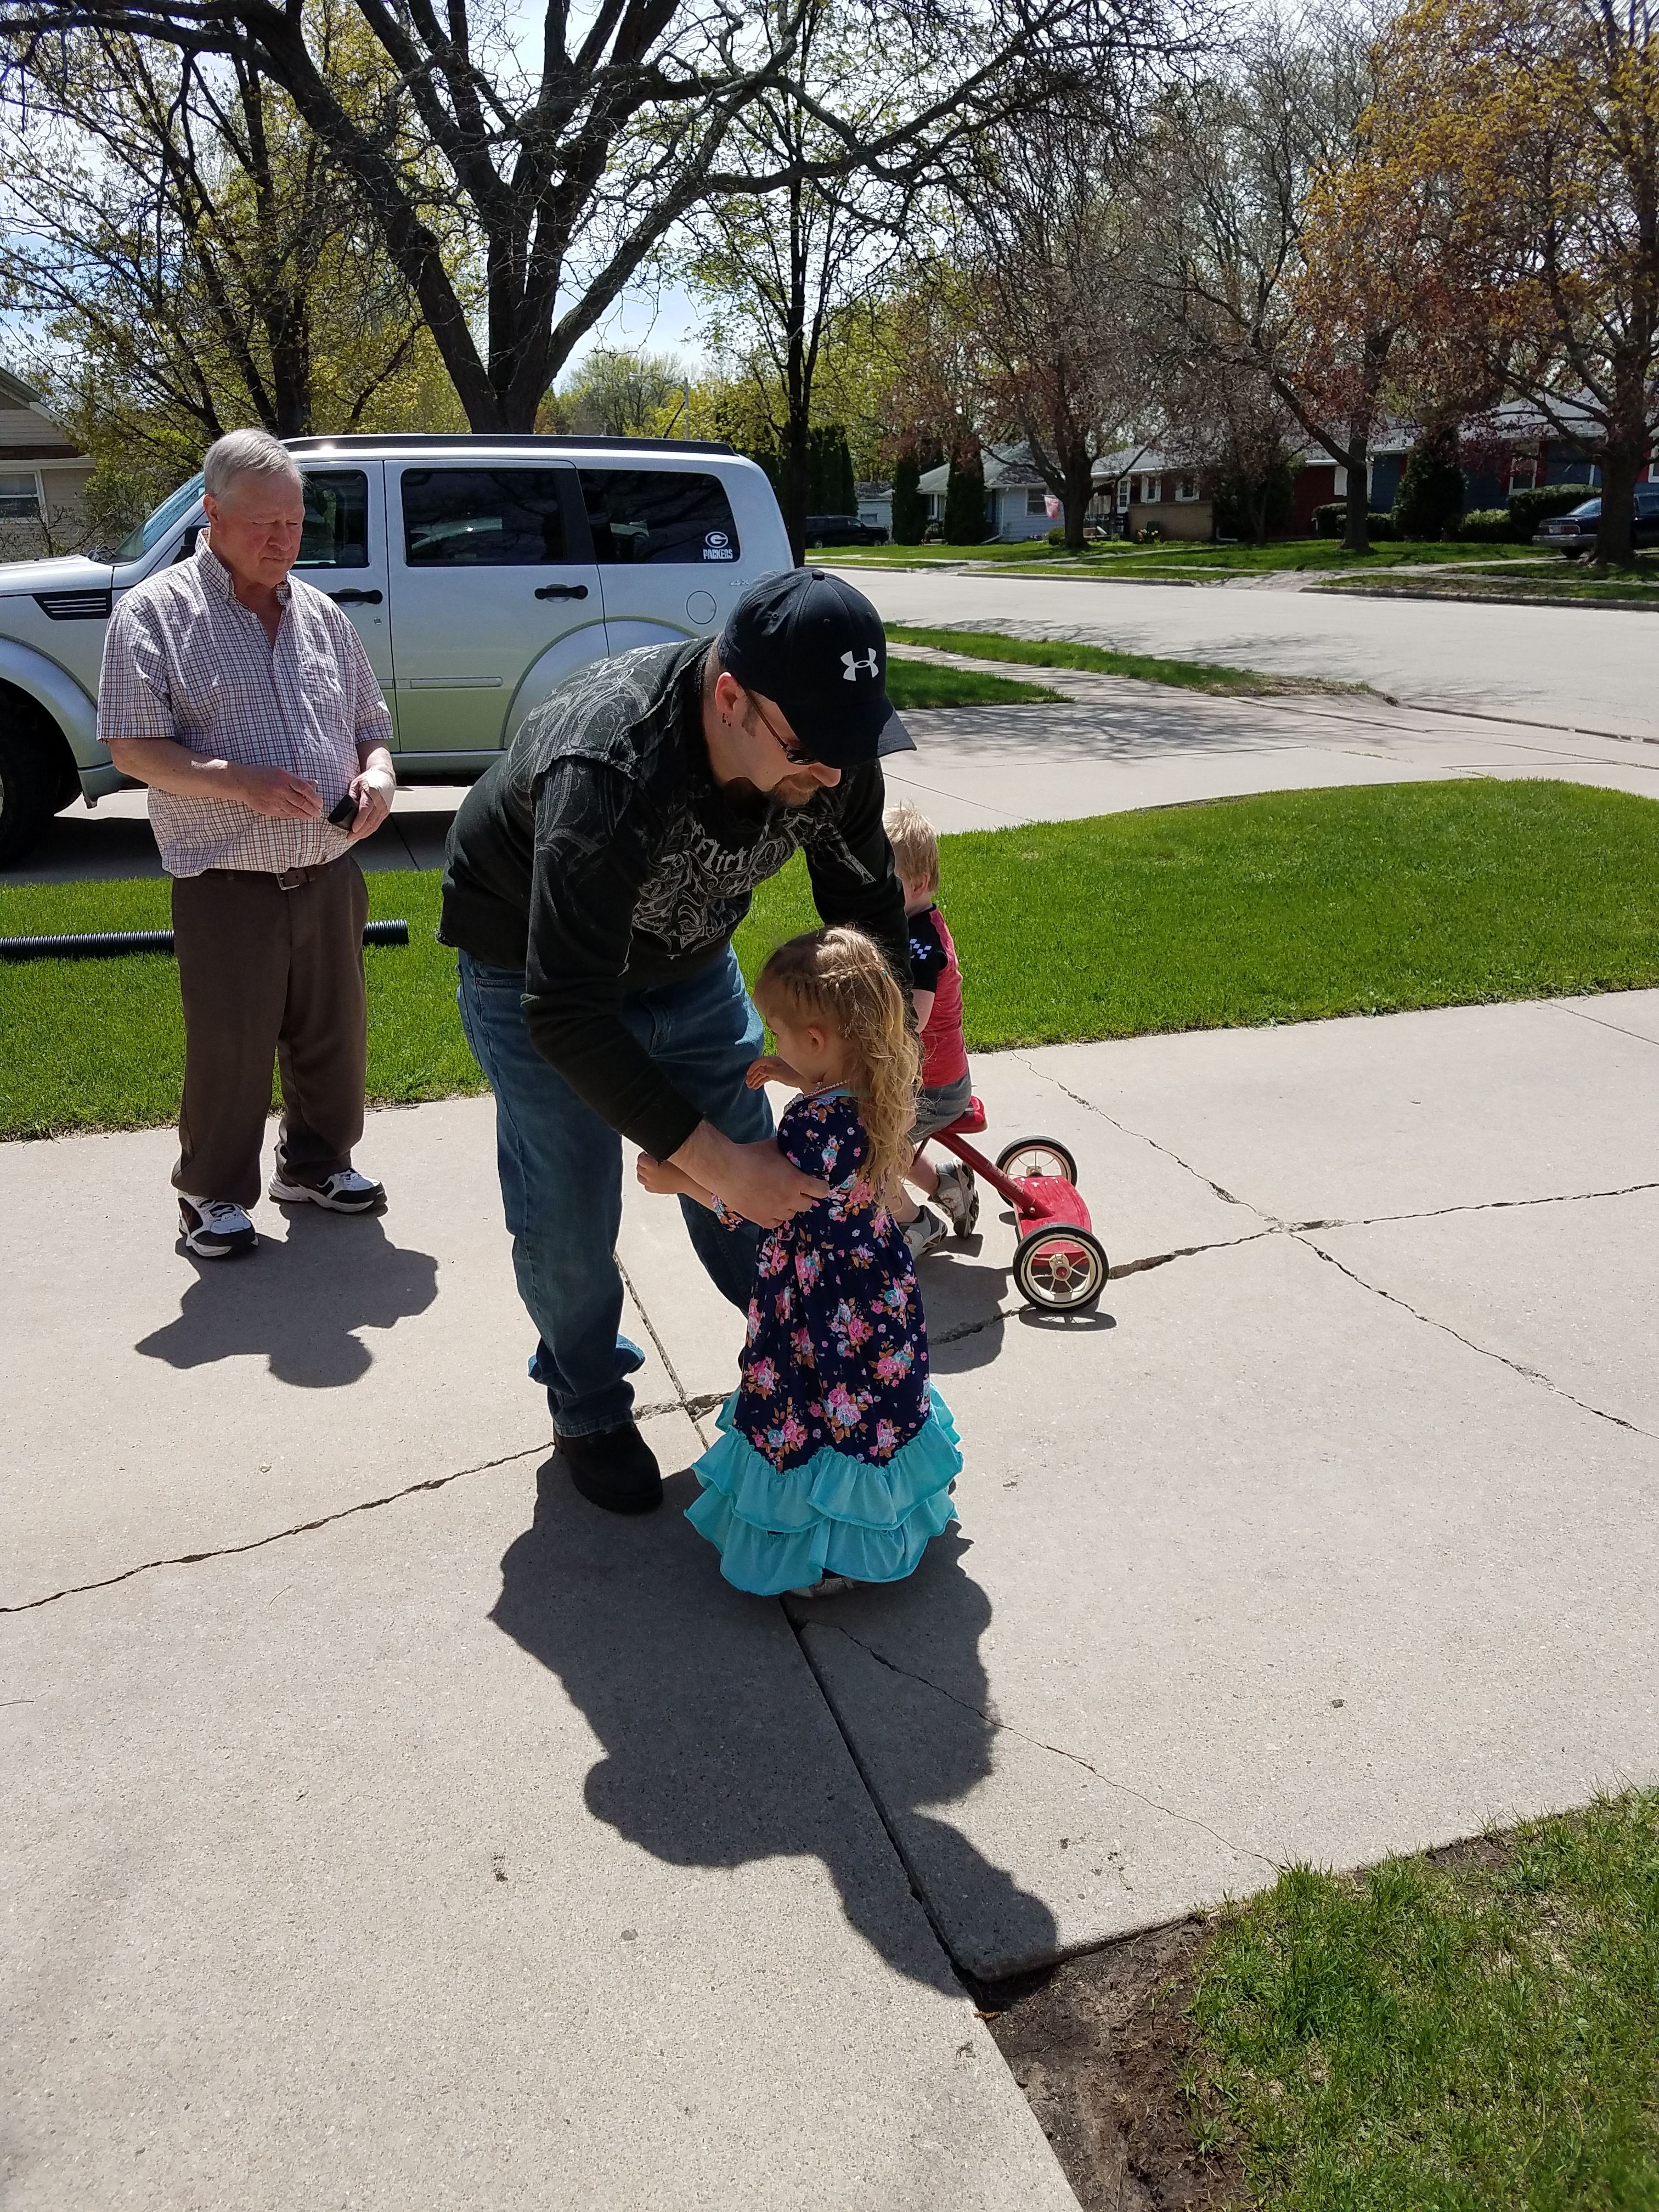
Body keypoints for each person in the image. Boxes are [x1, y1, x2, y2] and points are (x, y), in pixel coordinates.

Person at [439, 568, 915, 1517]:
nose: (830, 772)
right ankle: (586, 1408)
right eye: (808, 749)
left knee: (773, 1174)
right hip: (532, 970)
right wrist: (713, 1166)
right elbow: (565, 1007)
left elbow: (867, 917)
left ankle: (807, 1363)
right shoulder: (609, 761)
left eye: (848, 744)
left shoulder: (826, 742)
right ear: (729, 696)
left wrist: (877, 1109)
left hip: (690, 963)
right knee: (569, 1215)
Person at [98, 428, 395, 1260]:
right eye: (263, 524)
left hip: (329, 868)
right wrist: (240, 781)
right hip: (226, 877)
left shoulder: (321, 614)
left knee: (335, 1034)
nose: (282, 541)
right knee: (230, 1045)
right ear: (212, 513)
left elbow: (373, 727)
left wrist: (378, 778)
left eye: (295, 524)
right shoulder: (154, 615)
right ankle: (210, 1197)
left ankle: (317, 1164)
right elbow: (132, 747)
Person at [637, 927, 960, 1596]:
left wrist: (683, 1181)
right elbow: (834, 1142)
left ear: (819, 1039)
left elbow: (767, 1202)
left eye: (780, 1035)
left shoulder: (814, 1127)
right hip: (875, 1288)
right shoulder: (877, 1093)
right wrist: (799, 1075)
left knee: (814, 1409)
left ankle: (827, 1551)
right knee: (870, 1407)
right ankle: (882, 1518)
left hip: (820, 1306)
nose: (773, 1046)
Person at [882, 800, 978, 1261]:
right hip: (935, 1079)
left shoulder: (922, 945)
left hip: (933, 1088)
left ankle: (915, 1224)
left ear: (917, 883)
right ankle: (947, 1184)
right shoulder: (918, 924)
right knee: (880, 1132)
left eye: (885, 880)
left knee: (871, 1145)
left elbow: (914, 1020)